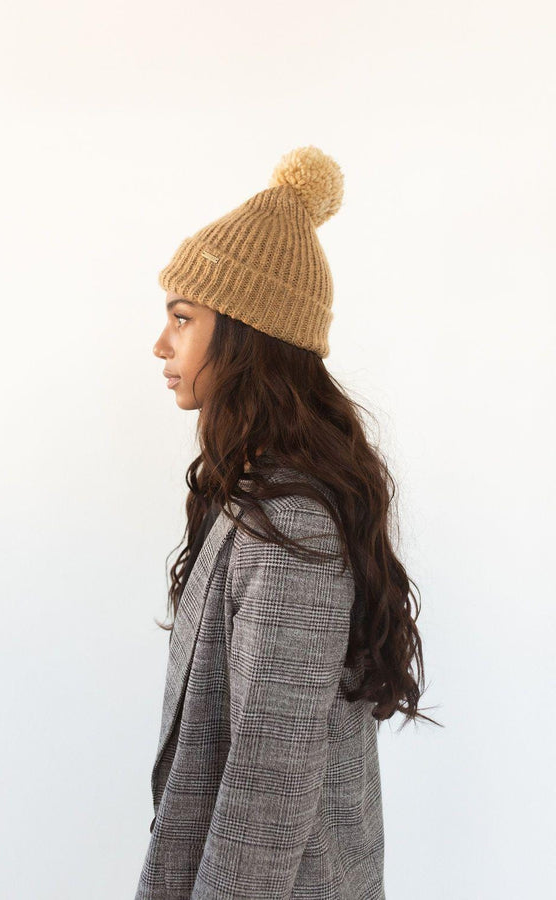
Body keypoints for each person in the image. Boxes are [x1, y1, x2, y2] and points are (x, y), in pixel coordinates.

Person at [135, 145, 440, 900]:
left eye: (183, 319)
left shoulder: (292, 525)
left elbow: (269, 789)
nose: (161, 344)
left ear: (246, 335)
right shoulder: (256, 492)